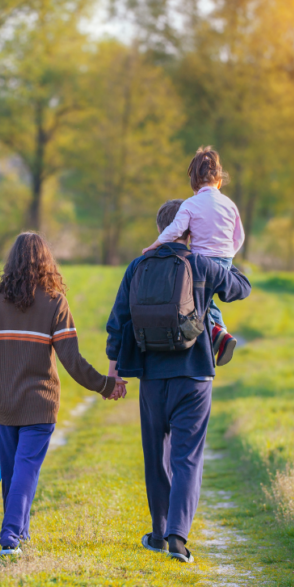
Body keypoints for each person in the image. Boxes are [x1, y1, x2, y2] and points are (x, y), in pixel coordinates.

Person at [108, 200, 251, 563]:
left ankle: (157, 533)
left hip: (152, 377)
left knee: (156, 457)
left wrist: (115, 369)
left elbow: (119, 321)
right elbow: (241, 288)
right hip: (195, 376)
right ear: (190, 229)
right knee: (188, 458)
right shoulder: (200, 264)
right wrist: (221, 252)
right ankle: (177, 538)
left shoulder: (138, 266)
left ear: (160, 228)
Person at [0, 232, 126, 556]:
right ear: (46, 262)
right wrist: (105, 384)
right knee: (25, 470)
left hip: (5, 403)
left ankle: (18, 534)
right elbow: (72, 360)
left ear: (11, 262)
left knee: (14, 472)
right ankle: (11, 536)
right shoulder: (55, 301)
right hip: (40, 404)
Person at [141, 147, 244, 366]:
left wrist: (154, 244)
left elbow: (174, 230)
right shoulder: (230, 204)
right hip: (225, 260)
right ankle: (220, 333)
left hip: (200, 261)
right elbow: (239, 235)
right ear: (219, 180)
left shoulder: (190, 204)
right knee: (209, 299)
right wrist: (229, 254)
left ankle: (218, 333)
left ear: (194, 182)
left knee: (198, 303)